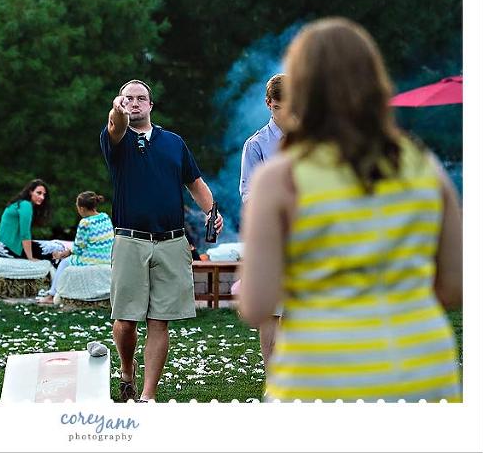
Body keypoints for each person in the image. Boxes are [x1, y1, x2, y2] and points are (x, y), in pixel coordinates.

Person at [239, 17, 462, 402]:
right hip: (424, 370)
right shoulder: (425, 164)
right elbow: (455, 286)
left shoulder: (280, 177)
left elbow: (258, 302)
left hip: (320, 376)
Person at [101, 79, 224, 402]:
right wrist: (117, 110)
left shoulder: (174, 143)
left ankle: (147, 396)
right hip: (130, 240)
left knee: (160, 321)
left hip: (172, 241)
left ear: (151, 105)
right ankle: (127, 371)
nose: (135, 103)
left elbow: (195, 182)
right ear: (121, 103)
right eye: (129, 98)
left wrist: (212, 211)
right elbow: (116, 124)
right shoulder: (117, 139)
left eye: (142, 98)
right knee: (125, 321)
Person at [237, 73, 297, 368]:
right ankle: (273, 376)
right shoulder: (256, 144)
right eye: (280, 106)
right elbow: (248, 193)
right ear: (269, 104)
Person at [37, 191, 114, 305]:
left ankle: (52, 295)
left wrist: (62, 254)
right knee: (67, 259)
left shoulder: (85, 223)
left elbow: (78, 248)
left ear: (82, 208)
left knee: (64, 263)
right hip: (107, 258)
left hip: (93, 260)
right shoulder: (105, 217)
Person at [0, 179, 66, 261]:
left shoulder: (19, 203)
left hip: (4, 246)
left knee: (50, 246)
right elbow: (25, 233)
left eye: (44, 194)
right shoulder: (26, 205)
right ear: (30, 192)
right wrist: (30, 257)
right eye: (39, 193)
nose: (42, 197)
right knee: (58, 247)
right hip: (11, 249)